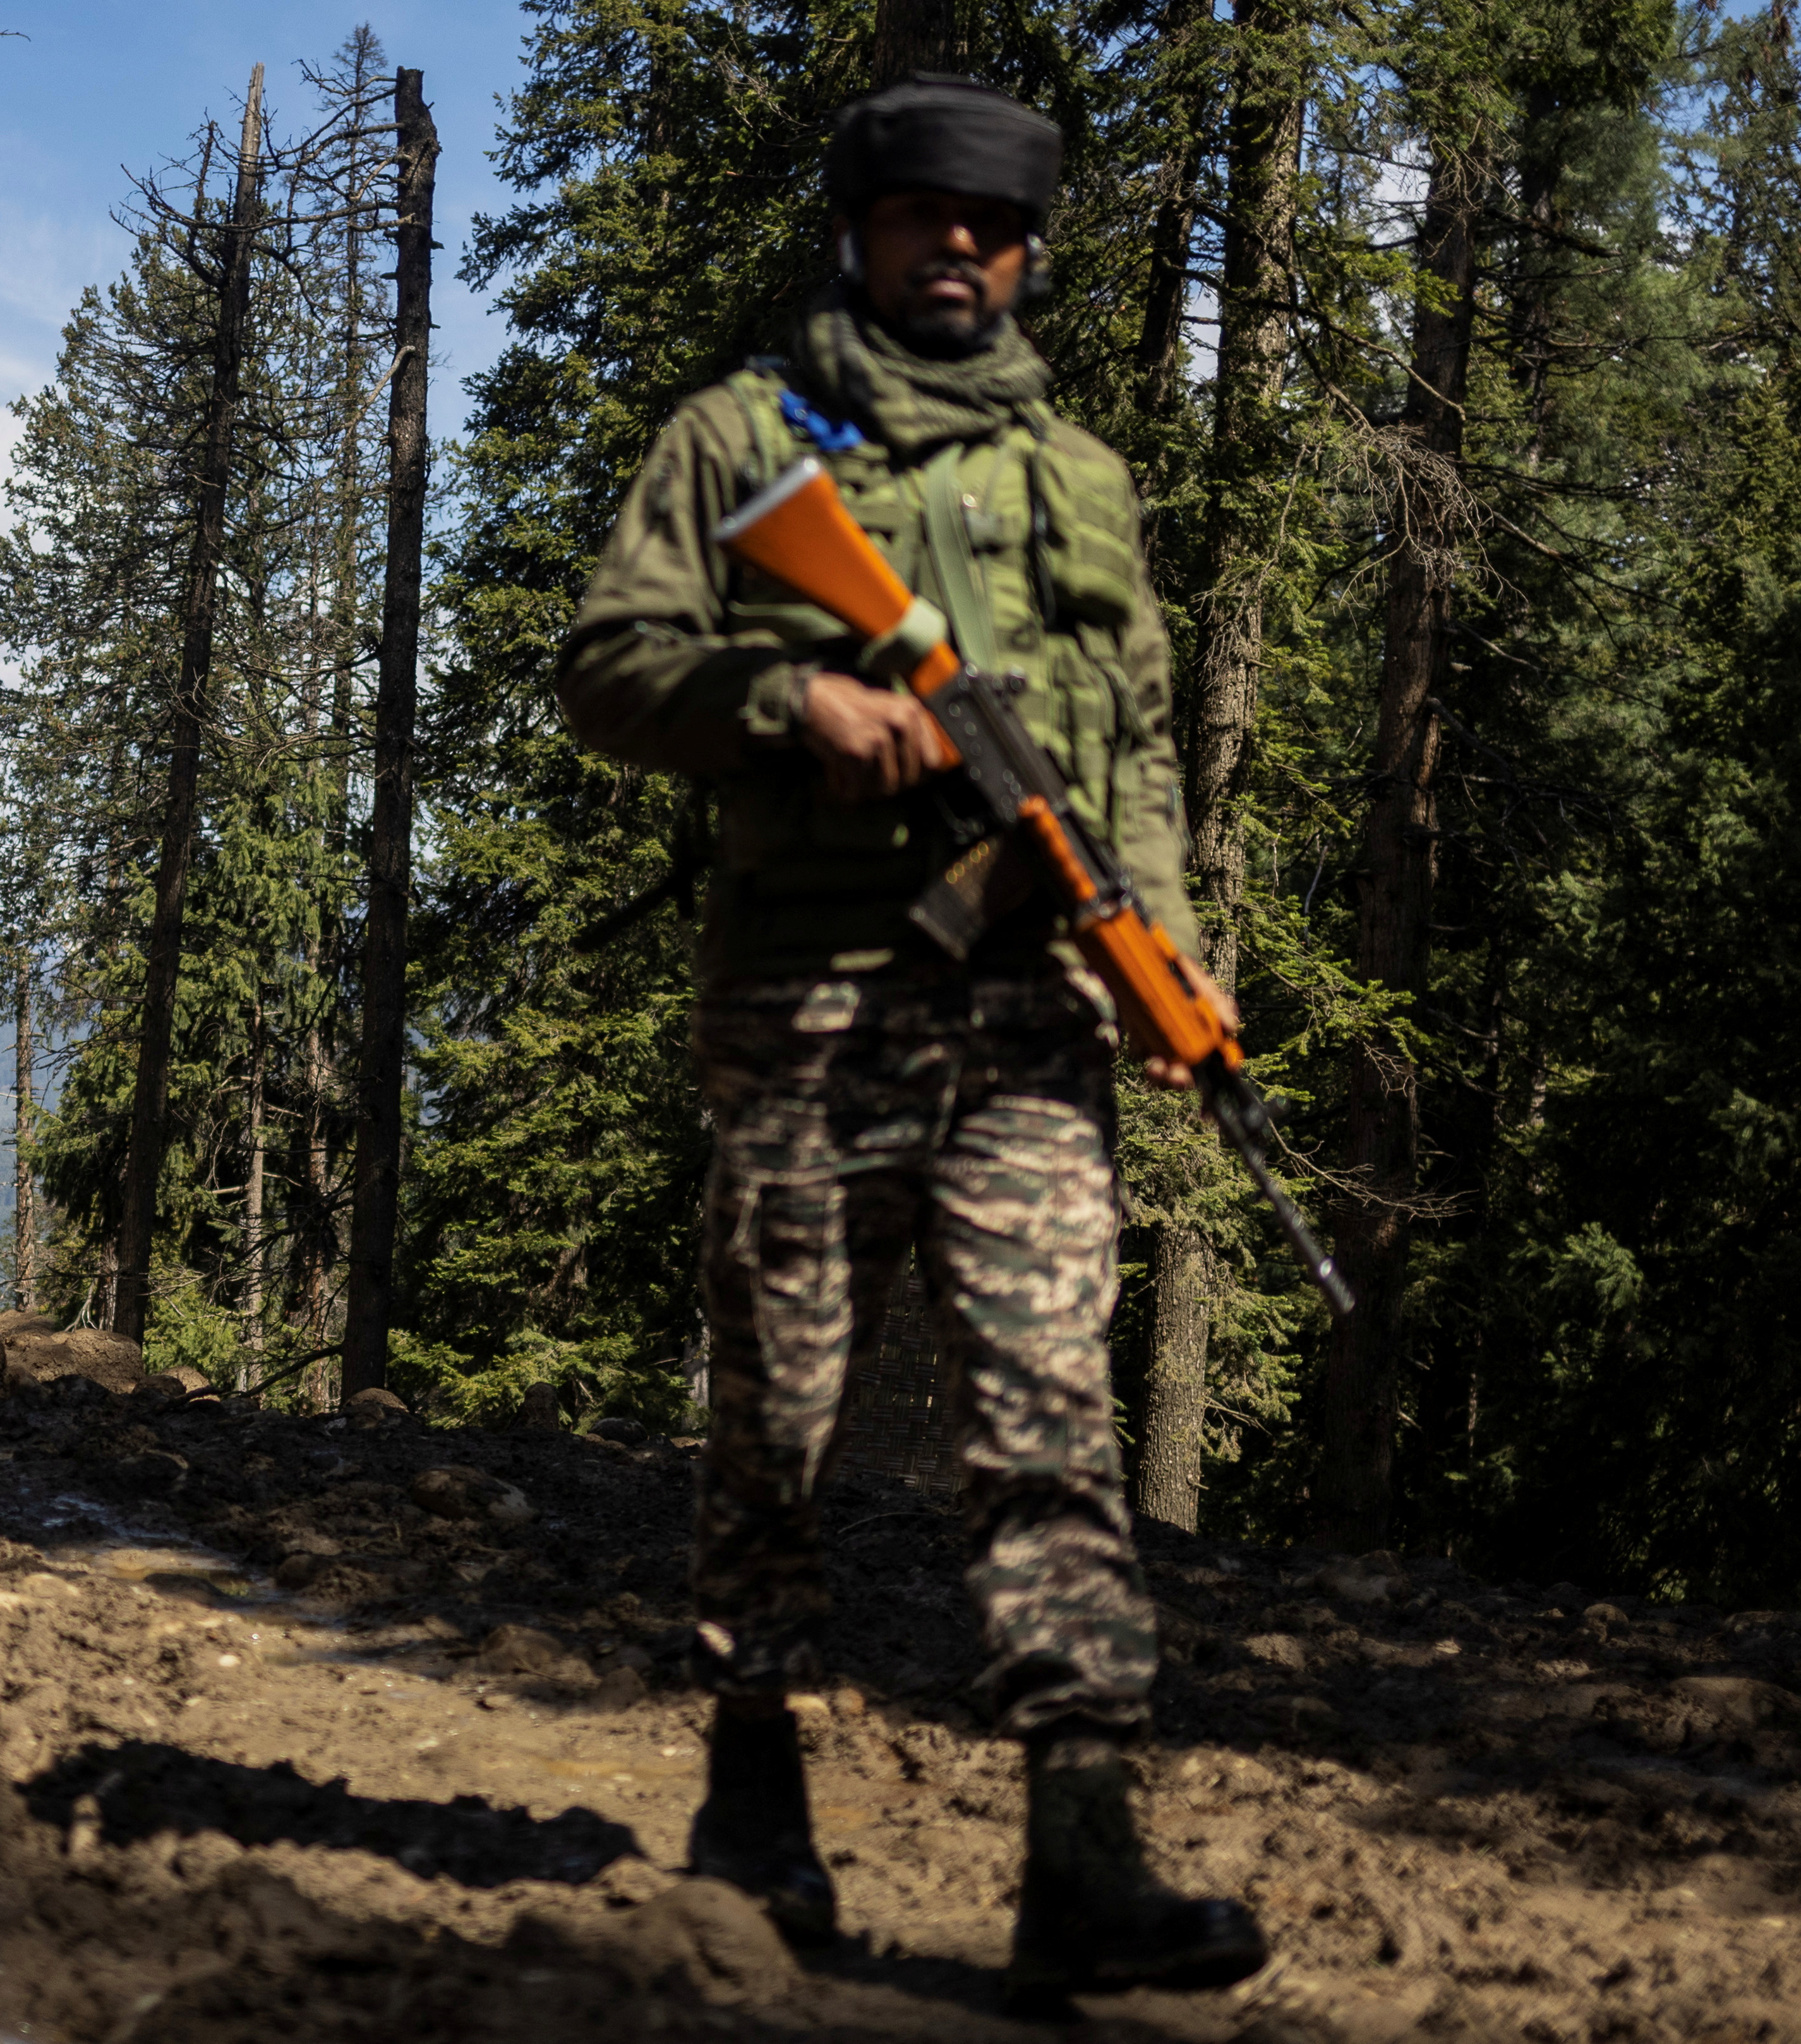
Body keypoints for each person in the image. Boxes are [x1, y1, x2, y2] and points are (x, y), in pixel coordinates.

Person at [555, 75, 1266, 2008]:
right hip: (806, 1010)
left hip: (1028, 1021)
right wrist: (790, 703)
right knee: (775, 1416)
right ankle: (752, 1803)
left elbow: (1131, 757)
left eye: (993, 227)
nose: (958, 247)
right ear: (859, 231)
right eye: (920, 217)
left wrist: (1163, 959)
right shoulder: (739, 439)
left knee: (1050, 1422)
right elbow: (607, 665)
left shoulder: (1081, 477)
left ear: (1026, 253)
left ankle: (1082, 1850)